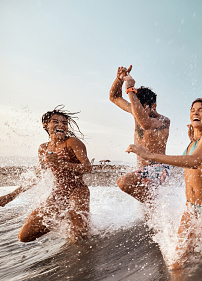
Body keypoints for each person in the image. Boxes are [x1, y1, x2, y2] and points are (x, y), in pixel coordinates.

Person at [127, 98, 202, 269]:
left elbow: (194, 161)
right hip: (192, 207)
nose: (195, 112)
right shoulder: (192, 142)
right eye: (192, 110)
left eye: (201, 110)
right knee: (176, 262)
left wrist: (150, 156)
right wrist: (193, 138)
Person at [0, 105, 92, 243]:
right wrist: (12, 195)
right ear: (46, 125)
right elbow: (38, 176)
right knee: (24, 236)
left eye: (64, 123)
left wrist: (60, 164)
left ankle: (80, 231)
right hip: (57, 194)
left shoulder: (72, 142)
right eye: (56, 121)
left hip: (78, 190)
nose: (61, 125)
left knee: (79, 236)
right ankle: (60, 221)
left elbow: (87, 167)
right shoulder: (43, 148)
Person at [109, 65, 171, 203]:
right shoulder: (135, 111)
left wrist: (130, 88)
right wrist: (119, 79)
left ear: (153, 106)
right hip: (143, 169)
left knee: (124, 182)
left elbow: (146, 123)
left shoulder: (163, 121)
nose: (138, 111)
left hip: (160, 168)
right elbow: (114, 97)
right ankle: (155, 209)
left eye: (142, 107)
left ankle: (153, 203)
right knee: (150, 214)